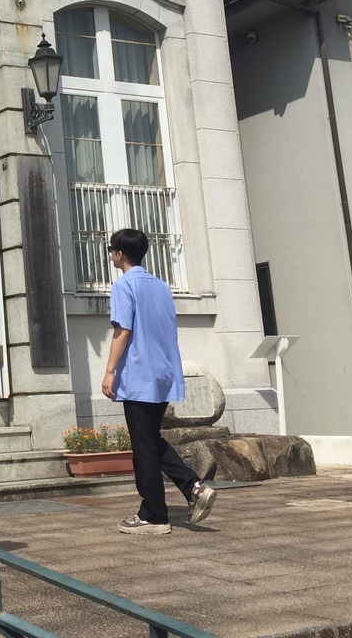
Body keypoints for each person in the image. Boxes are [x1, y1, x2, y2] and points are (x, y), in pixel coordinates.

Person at [101, 228, 215, 534]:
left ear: (120, 254)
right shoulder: (161, 286)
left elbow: (122, 330)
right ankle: (193, 487)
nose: (111, 255)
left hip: (138, 374)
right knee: (150, 440)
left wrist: (110, 371)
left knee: (144, 447)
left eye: (111, 250)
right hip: (163, 372)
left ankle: (153, 515)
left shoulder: (124, 285)